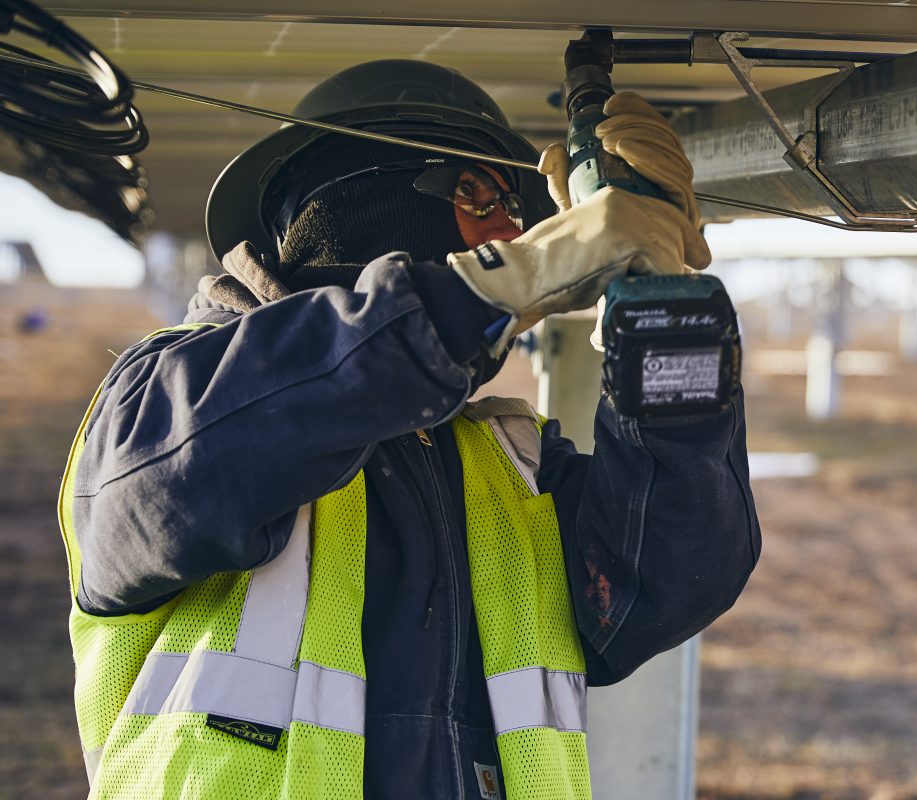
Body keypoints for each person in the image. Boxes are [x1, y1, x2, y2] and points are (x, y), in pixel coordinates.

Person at [56, 59, 759, 799]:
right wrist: (491, 286)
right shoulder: (160, 401)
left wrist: (663, 315)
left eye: (515, 219)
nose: (507, 230)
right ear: (357, 199)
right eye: (474, 193)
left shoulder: (512, 467)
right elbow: (223, 449)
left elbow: (670, 577)